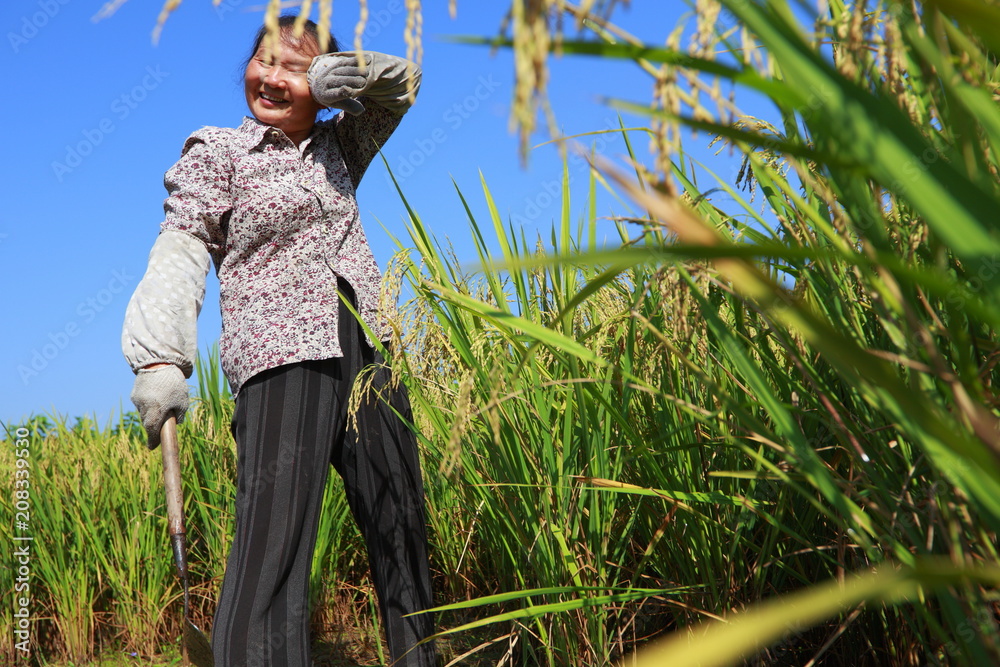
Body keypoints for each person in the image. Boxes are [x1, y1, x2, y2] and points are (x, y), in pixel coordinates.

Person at [122, 15, 436, 667]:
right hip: (281, 348)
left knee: (401, 527)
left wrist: (337, 75)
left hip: (368, 348)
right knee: (272, 561)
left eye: (294, 67)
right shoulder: (218, 151)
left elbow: (402, 86)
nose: (270, 75)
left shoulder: (340, 146)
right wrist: (158, 352)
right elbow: (181, 245)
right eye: (263, 60)